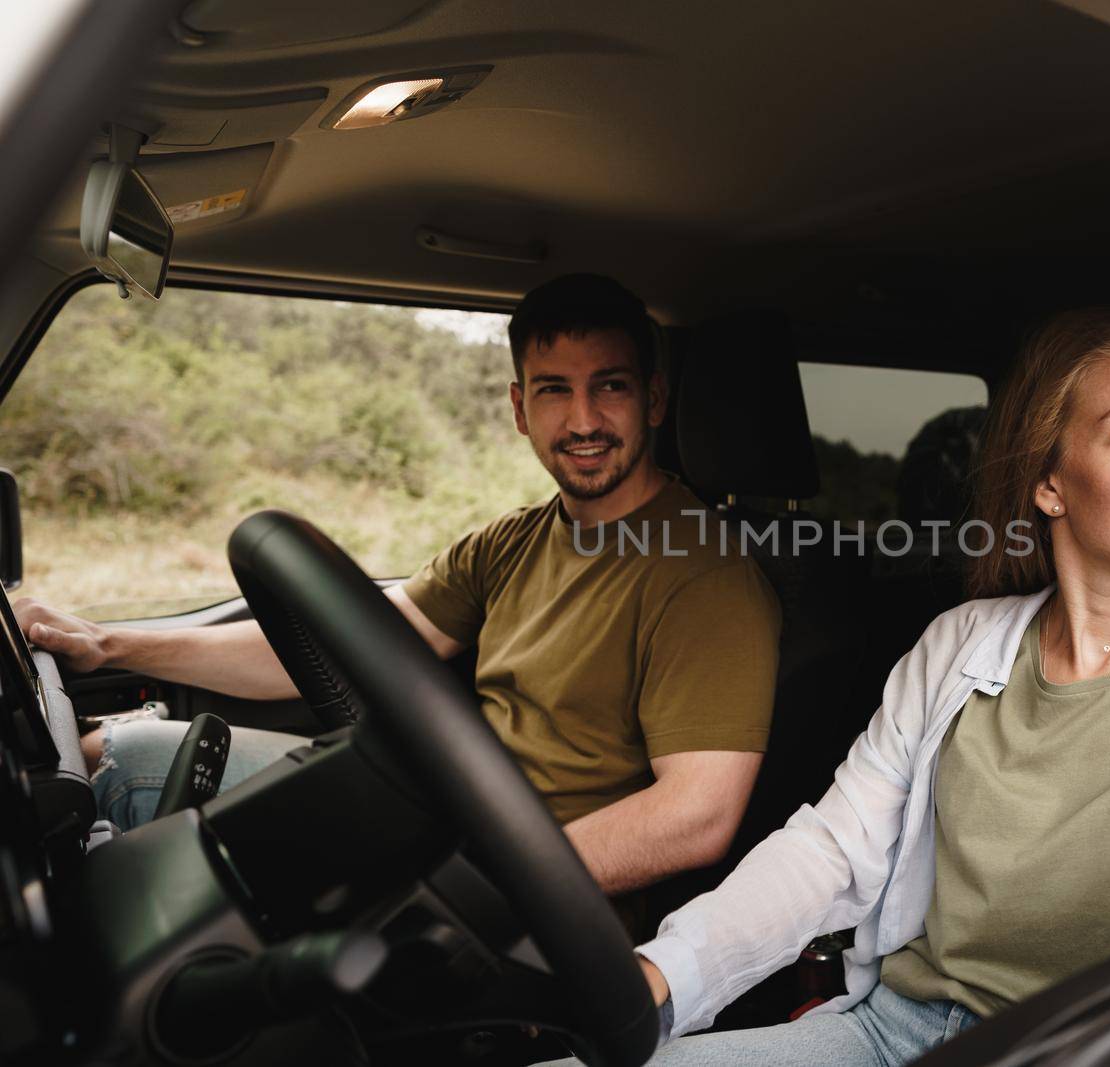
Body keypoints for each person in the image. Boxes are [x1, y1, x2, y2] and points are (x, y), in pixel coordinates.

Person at [603, 308, 1110, 1062]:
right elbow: (833, 853)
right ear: (1051, 483)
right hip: (895, 1036)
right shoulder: (956, 644)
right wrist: (663, 973)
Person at [15, 273, 782, 937]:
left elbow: (698, 815)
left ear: (652, 398)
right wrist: (110, 645)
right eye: (555, 389)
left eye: (609, 385)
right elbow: (336, 649)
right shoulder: (512, 541)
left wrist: (482, 877)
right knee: (110, 759)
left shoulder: (702, 573)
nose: (581, 421)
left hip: (529, 897)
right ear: (520, 407)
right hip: (433, 809)